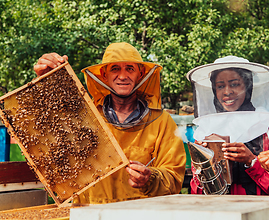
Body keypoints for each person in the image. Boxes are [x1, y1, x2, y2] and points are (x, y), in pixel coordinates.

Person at [34, 42, 186, 204]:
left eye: (130, 68)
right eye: (115, 69)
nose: (122, 76)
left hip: (140, 214)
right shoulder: (83, 117)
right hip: (89, 213)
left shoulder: (162, 122)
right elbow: (48, 133)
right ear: (103, 75)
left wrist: (150, 178)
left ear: (140, 74)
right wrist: (47, 81)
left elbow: (174, 178)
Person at [187, 56, 269, 195]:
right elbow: (196, 192)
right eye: (220, 86)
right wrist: (206, 167)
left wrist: (251, 161)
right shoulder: (206, 130)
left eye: (234, 84)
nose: (227, 92)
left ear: (248, 86)